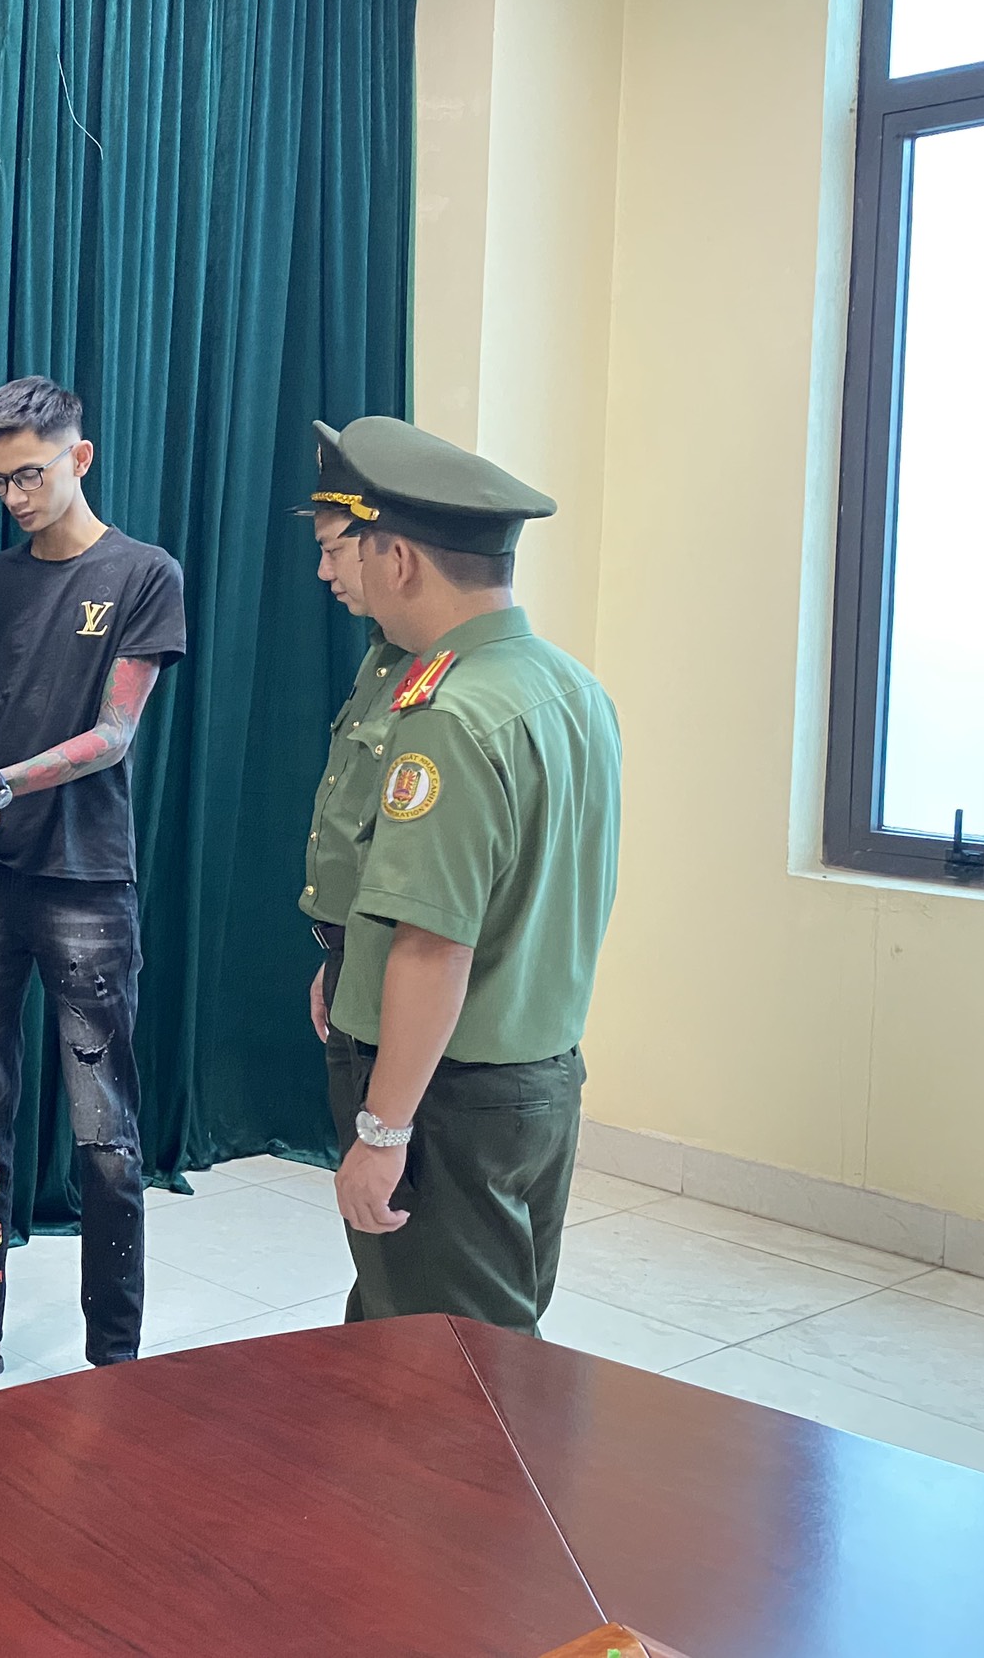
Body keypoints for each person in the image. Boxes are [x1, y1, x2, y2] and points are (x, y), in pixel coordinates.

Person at [0, 378, 184, 1409]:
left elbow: (114, 736)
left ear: (79, 458)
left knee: (104, 1128)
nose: (13, 495)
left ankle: (115, 1357)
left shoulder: (143, 574)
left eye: (30, 474)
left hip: (87, 881)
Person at [314, 415, 622, 1335]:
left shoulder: (449, 717)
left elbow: (433, 945)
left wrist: (382, 1133)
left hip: (446, 1088)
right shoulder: (568, 686)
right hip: (535, 1073)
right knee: (439, 1331)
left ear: (400, 559)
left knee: (448, 1366)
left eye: (350, 549)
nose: (332, 571)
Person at [298, 425, 412, 1036]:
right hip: (355, 953)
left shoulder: (443, 675)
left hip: (402, 967)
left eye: (333, 550)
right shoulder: (381, 657)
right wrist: (341, 956)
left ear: (387, 549)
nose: (323, 572)